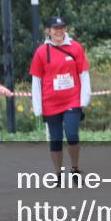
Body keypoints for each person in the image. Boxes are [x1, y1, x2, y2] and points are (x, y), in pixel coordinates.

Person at [30, 16, 91, 177]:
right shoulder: (41, 52)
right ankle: (58, 173)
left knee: (72, 134)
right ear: (48, 31)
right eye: (55, 28)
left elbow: (84, 74)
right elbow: (36, 80)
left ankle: (75, 168)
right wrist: (37, 107)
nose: (59, 31)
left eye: (61, 28)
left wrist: (84, 99)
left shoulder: (76, 47)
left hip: (72, 99)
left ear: (65, 29)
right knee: (55, 139)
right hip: (50, 102)